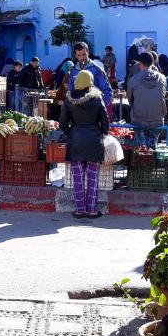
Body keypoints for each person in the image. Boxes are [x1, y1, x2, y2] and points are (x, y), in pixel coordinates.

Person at [59, 70, 109, 219]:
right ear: (91, 81)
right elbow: (105, 121)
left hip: (76, 142)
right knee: (93, 178)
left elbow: (62, 122)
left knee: (77, 178)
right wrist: (101, 132)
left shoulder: (69, 99)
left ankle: (79, 209)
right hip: (94, 141)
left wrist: (70, 132)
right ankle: (92, 210)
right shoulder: (97, 97)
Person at [126, 52, 167, 148]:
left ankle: (141, 151)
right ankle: (152, 151)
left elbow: (130, 99)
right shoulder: (163, 78)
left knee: (140, 149)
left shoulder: (133, 80)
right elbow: (162, 95)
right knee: (152, 146)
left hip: (139, 119)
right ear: (153, 64)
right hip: (158, 119)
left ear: (139, 64)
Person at [69, 41, 113, 115]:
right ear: (75, 55)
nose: (82, 57)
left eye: (84, 54)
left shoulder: (97, 69)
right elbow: (71, 90)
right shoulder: (74, 71)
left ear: (88, 52)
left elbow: (108, 92)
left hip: (94, 114)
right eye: (79, 55)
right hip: (78, 114)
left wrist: (99, 108)